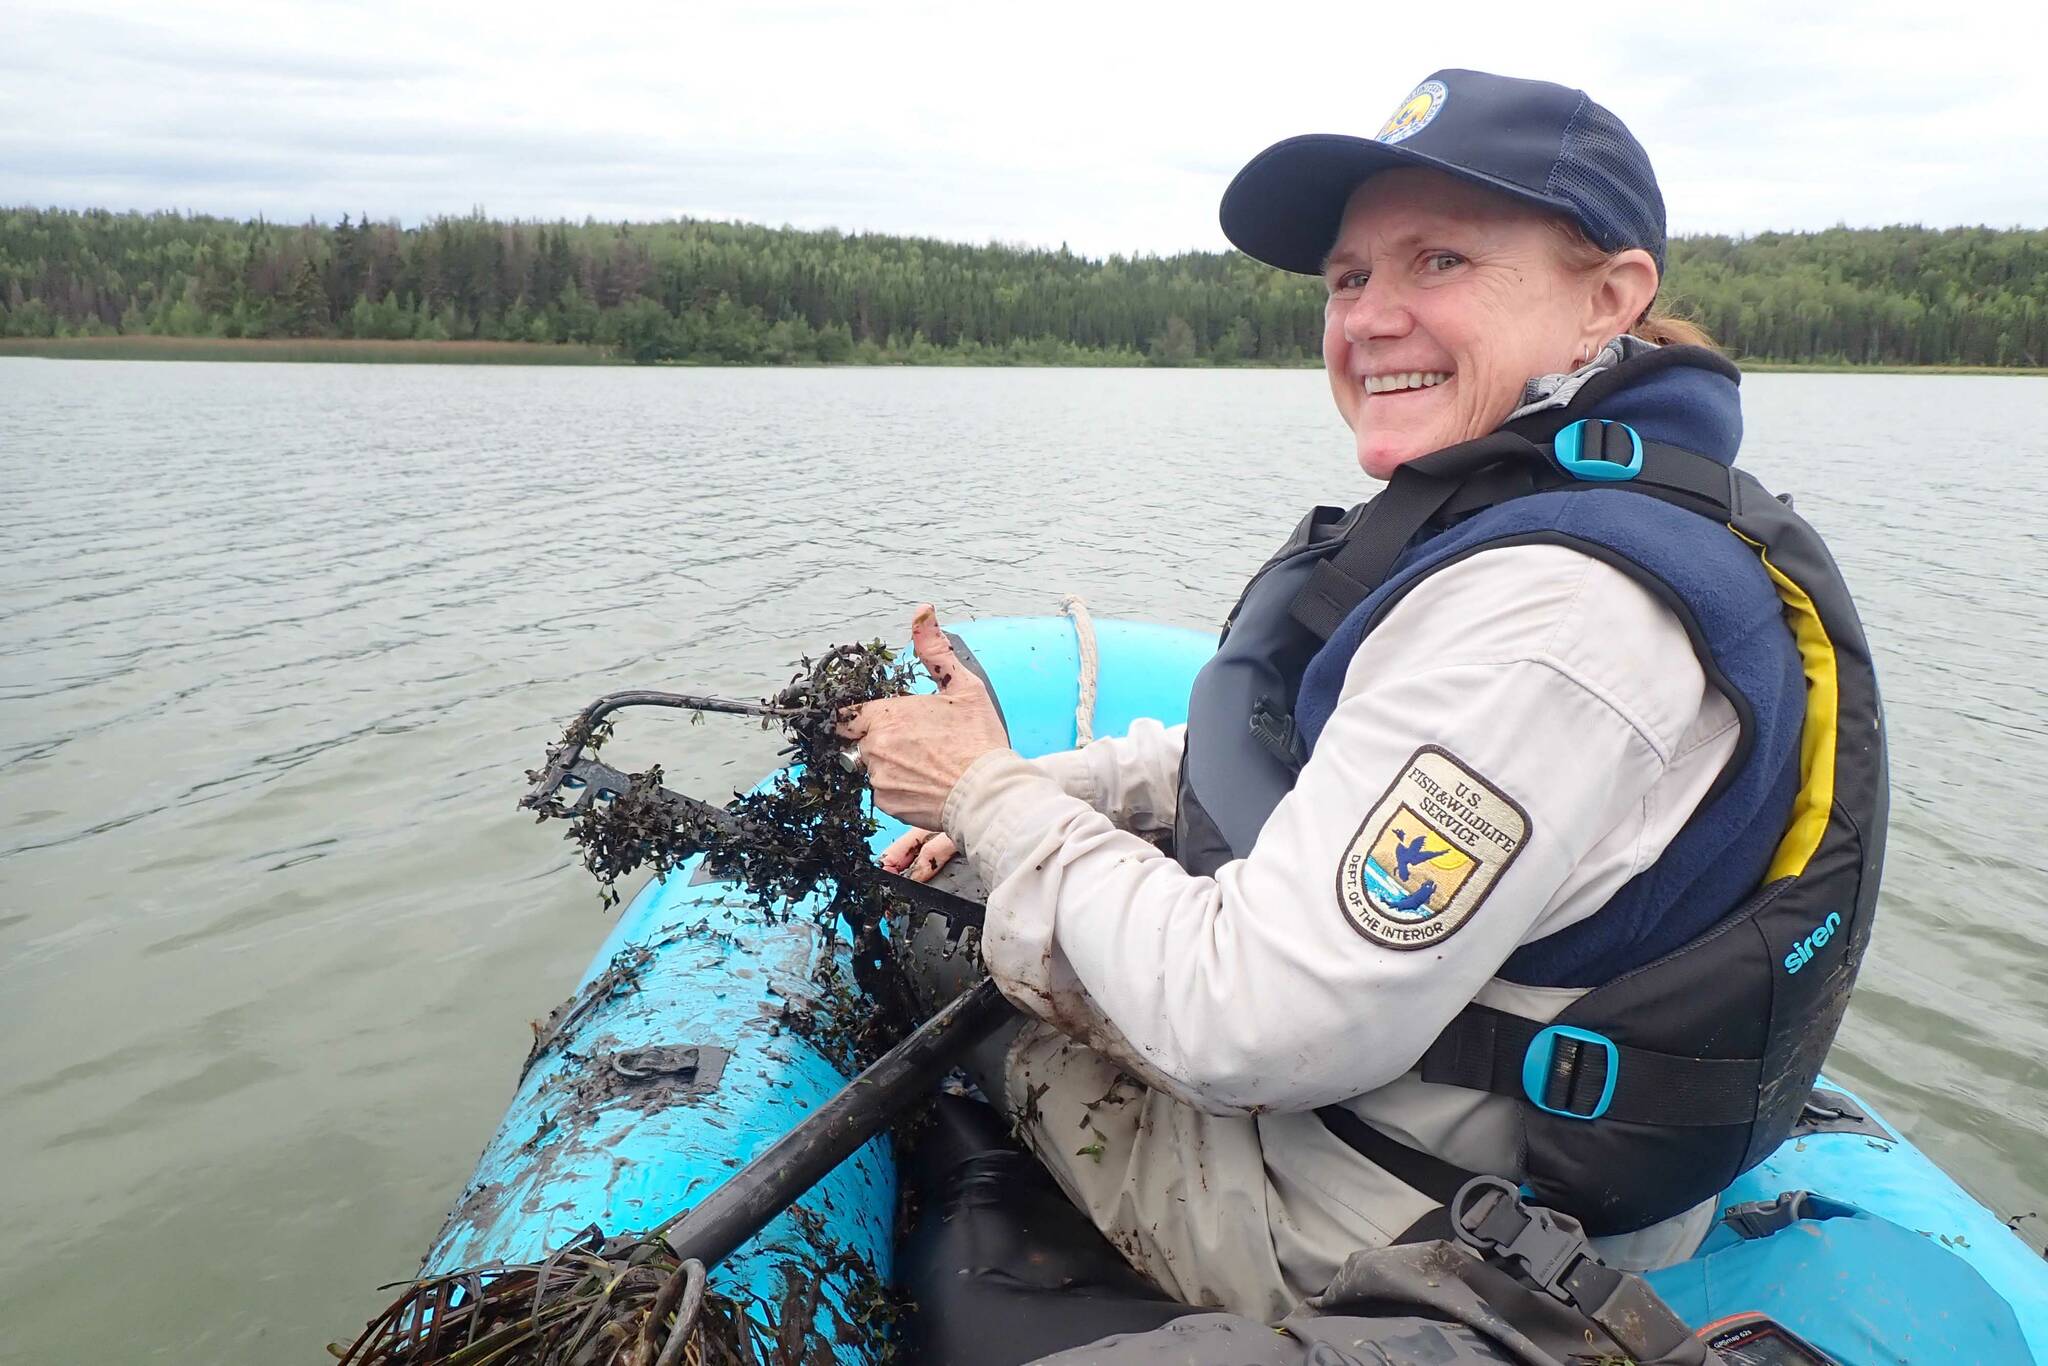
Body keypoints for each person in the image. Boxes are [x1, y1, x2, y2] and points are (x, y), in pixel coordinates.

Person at [838, 68, 1885, 1322]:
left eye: (1437, 260)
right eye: (1348, 278)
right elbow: (1290, 751)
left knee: (927, 919)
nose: (1368, 318)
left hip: (1393, 1219)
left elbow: (1245, 1027)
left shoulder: (1552, 621)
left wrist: (985, 797)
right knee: (992, 864)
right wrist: (1062, 787)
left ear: (1606, 299)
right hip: (1472, 1136)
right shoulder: (1560, 499)